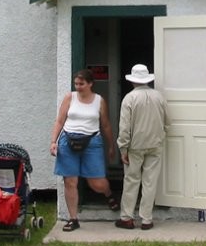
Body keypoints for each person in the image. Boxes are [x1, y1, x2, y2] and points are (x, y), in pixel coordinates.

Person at [50, 68, 119, 231]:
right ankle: (73, 219)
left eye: (81, 84)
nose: (78, 87)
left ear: (90, 84)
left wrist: (111, 146)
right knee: (70, 181)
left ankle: (108, 193)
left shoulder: (99, 100)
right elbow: (59, 121)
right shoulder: (70, 97)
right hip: (68, 140)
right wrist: (54, 141)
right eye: (76, 84)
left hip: (92, 142)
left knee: (96, 182)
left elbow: (106, 124)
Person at [115, 63, 169, 230]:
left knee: (131, 180)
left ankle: (127, 217)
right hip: (155, 144)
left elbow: (124, 128)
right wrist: (161, 136)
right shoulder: (159, 97)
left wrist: (123, 148)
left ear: (132, 80)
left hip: (135, 146)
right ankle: (147, 219)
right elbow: (168, 122)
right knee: (150, 181)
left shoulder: (129, 98)